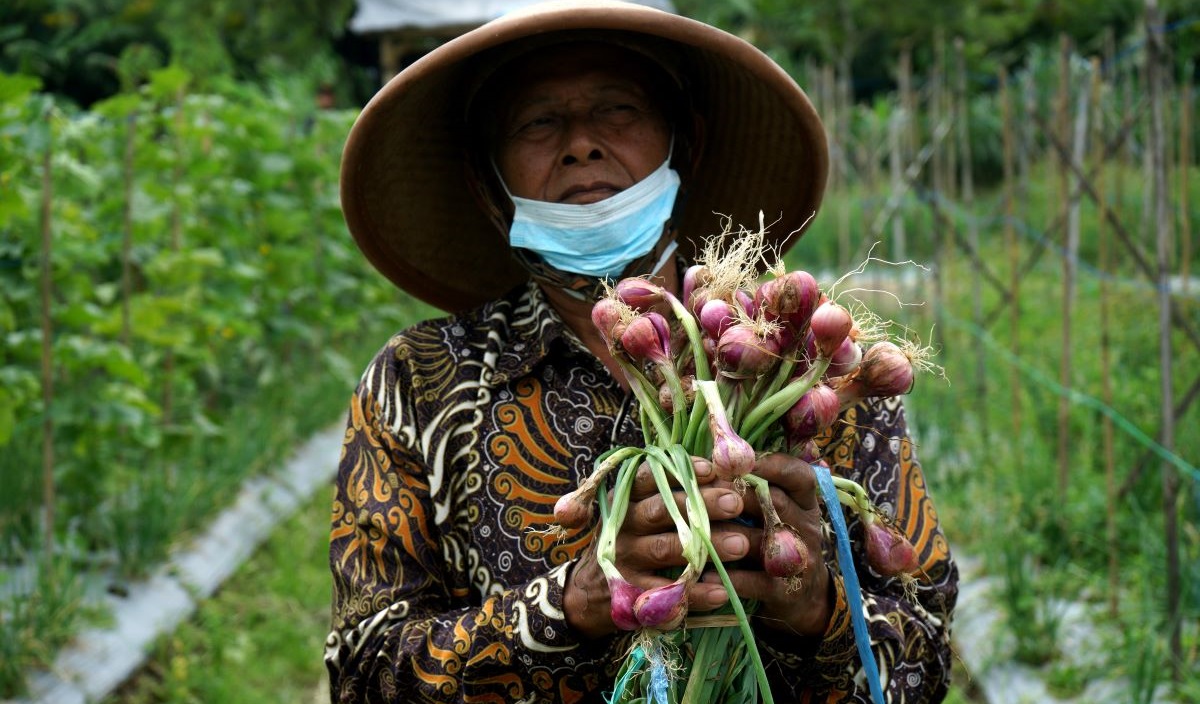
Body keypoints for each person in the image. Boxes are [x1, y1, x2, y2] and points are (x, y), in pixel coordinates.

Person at [325, 2, 958, 702]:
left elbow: (926, 658)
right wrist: (570, 605)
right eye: (537, 122)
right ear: (486, 180)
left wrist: (810, 608)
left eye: (618, 109)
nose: (581, 145)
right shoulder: (418, 383)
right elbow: (362, 671)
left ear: (684, 143)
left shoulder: (804, 360)